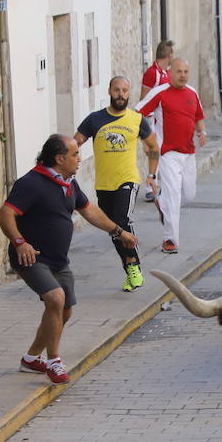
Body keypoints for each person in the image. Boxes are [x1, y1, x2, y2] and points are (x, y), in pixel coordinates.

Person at [0, 135, 137, 386]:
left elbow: (89, 210)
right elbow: (5, 213)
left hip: (58, 260)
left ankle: (31, 358)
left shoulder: (69, 184)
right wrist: (20, 242)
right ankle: (54, 360)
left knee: (65, 310)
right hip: (32, 256)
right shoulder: (31, 183)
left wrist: (119, 232)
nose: (79, 158)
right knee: (56, 298)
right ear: (59, 158)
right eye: (74, 154)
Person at [75, 78, 159, 293]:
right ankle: (129, 270)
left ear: (129, 93)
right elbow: (73, 144)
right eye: (117, 90)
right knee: (112, 228)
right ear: (110, 92)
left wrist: (152, 174)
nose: (121, 94)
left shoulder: (137, 120)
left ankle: (133, 265)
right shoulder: (95, 120)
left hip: (127, 180)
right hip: (103, 184)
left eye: (124, 90)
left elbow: (152, 146)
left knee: (122, 220)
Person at [137, 56, 206, 254]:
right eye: (179, 72)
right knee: (174, 194)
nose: (183, 75)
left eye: (186, 72)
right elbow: (138, 111)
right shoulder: (160, 92)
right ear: (171, 72)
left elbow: (199, 116)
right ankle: (170, 239)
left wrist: (202, 133)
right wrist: (147, 138)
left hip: (188, 152)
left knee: (189, 194)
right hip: (167, 153)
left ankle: (163, 202)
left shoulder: (192, 93)